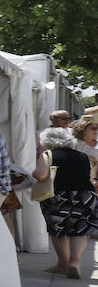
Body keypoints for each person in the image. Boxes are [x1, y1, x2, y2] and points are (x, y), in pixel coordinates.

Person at [38, 118, 98, 278]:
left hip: (59, 197)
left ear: (48, 141)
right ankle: (75, 261)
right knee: (80, 229)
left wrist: (32, 174)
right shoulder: (84, 156)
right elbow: (89, 177)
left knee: (59, 230)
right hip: (85, 196)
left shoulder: (48, 154)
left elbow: (41, 175)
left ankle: (62, 264)